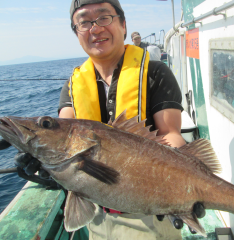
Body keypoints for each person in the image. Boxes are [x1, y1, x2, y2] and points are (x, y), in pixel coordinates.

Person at [0, 0, 206, 239]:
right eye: (84, 22)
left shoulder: (156, 72)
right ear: (76, 34)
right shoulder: (73, 85)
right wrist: (40, 157)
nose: (95, 28)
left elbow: (171, 134)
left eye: (104, 17)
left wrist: (191, 184)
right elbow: (64, 129)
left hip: (151, 215)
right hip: (96, 218)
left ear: (123, 25)